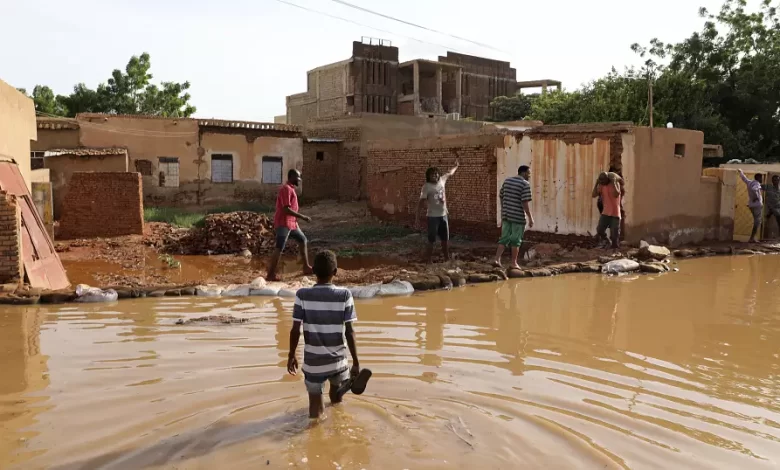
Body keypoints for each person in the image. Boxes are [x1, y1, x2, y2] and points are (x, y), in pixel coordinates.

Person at [286, 251, 371, 419]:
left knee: (315, 409)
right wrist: (356, 362)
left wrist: (291, 355)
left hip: (313, 363)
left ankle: (315, 435)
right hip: (337, 361)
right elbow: (350, 331)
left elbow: (295, 329)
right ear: (336, 272)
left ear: (313, 271)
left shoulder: (302, 295)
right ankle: (343, 391)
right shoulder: (344, 295)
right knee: (336, 399)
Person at [267, 169, 311, 281]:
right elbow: (286, 209)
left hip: (292, 223)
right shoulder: (286, 189)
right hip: (284, 223)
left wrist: (296, 220)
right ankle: (270, 274)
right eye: (298, 177)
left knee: (303, 240)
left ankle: (306, 267)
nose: (299, 180)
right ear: (291, 176)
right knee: (279, 247)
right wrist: (303, 217)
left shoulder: (291, 189)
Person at [415, 160, 459, 263]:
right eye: (432, 174)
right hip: (433, 217)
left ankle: (446, 258)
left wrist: (456, 166)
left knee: (445, 239)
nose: (434, 176)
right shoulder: (426, 187)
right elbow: (420, 202)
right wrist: (417, 217)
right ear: (428, 176)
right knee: (432, 239)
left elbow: (449, 173)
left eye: (436, 173)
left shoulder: (442, 181)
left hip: (443, 216)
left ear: (438, 174)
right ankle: (429, 260)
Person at [494, 165, 534, 269]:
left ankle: (497, 259)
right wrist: (530, 218)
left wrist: (504, 209)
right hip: (518, 217)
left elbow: (501, 195)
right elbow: (525, 202)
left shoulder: (507, 181)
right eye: (529, 173)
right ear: (524, 173)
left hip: (506, 215)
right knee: (516, 240)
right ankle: (514, 263)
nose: (529, 176)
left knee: (504, 238)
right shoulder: (525, 184)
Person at [593, 172, 622, 249]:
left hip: (615, 213)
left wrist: (614, 182)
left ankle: (615, 249)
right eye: (601, 181)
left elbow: (616, 194)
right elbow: (594, 194)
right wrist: (596, 184)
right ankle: (606, 241)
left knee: (614, 235)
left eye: (603, 181)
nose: (602, 183)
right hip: (605, 212)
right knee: (600, 230)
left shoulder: (615, 184)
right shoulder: (602, 186)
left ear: (608, 179)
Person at [739, 169, 764, 243]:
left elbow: (744, 178)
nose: (762, 179)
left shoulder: (749, 182)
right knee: (757, 222)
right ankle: (752, 238)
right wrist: (756, 197)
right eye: (761, 178)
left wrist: (741, 172)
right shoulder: (757, 183)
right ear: (758, 178)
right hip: (757, 205)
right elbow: (754, 189)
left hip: (751, 205)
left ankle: (753, 238)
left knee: (757, 221)